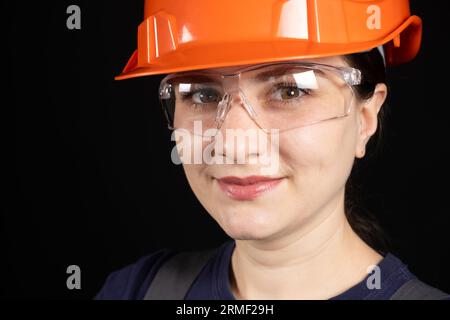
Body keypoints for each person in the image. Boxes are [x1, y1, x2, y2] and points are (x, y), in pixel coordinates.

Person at [95, 0, 449, 300]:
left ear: (365, 117)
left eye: (289, 91)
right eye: (202, 94)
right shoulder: (135, 290)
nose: (234, 144)